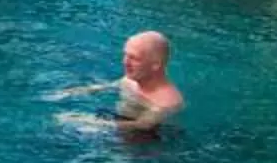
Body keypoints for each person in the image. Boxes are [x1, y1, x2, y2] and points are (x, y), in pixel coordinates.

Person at [51, 31, 187, 138]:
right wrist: (75, 92)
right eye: (125, 55)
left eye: (134, 58)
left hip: (147, 142)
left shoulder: (166, 102)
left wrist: (88, 121)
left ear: (155, 65)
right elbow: (112, 85)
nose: (125, 62)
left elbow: (143, 125)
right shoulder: (132, 79)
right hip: (119, 123)